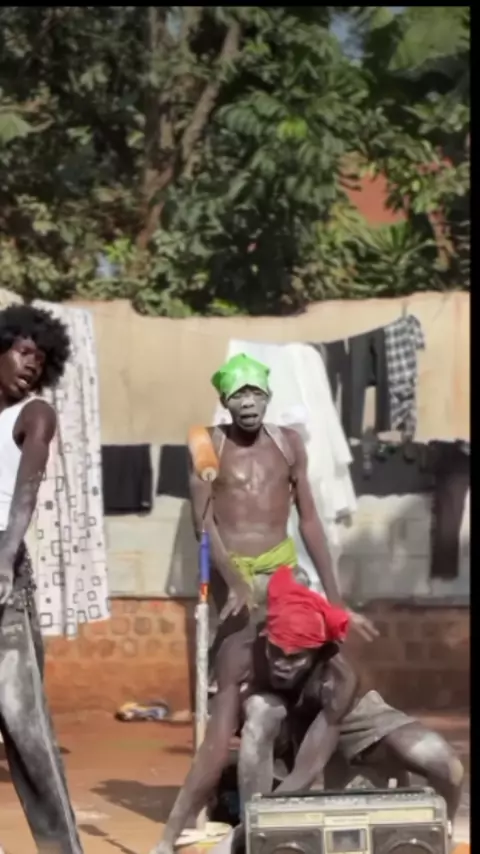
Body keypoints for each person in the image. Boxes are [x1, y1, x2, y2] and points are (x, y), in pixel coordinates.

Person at [150, 567, 464, 854]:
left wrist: (249, 830)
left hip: (341, 719)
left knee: (444, 763)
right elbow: (213, 751)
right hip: (284, 721)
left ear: (319, 652)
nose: (282, 665)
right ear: (265, 637)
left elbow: (306, 770)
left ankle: (441, 840)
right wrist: (167, 840)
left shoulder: (340, 677)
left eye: (295, 658)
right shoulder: (239, 653)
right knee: (261, 710)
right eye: (276, 652)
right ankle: (253, 837)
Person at [190, 352, 377, 642]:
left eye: (256, 393)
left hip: (281, 567)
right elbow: (202, 524)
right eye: (238, 395)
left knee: (306, 646)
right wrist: (234, 580)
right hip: (232, 569)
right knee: (235, 654)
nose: (248, 402)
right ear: (225, 401)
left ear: (269, 397)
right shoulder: (206, 444)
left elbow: (310, 521)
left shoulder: (289, 443)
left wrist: (335, 600)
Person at [0, 305, 83, 853]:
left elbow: (25, 491)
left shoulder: (34, 413)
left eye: (41, 358)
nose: (32, 365)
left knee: (23, 721)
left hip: (2, 566)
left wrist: (5, 558)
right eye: (24, 351)